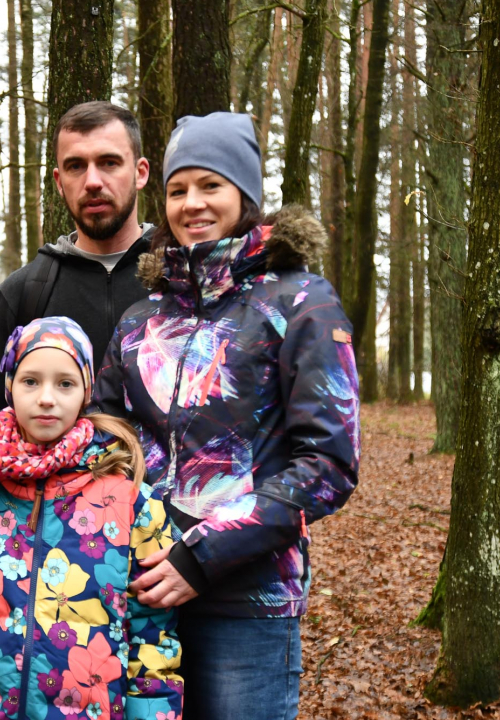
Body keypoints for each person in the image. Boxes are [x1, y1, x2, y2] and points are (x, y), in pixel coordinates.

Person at [92, 112, 361, 720]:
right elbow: (100, 440)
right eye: (179, 188)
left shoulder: (300, 301)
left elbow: (329, 463)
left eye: (210, 185)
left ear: (245, 194)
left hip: (248, 602)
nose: (192, 203)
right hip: (140, 594)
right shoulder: (143, 320)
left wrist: (201, 556)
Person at [0, 316, 183, 720]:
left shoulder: (131, 503)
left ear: (85, 392)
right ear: (9, 388)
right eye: (31, 381)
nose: (47, 397)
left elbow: (153, 629)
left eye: (65, 383)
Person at [0, 101, 154, 417]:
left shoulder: (181, 278)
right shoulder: (23, 294)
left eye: (109, 163)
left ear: (140, 173)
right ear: (60, 183)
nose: (92, 181)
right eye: (76, 166)